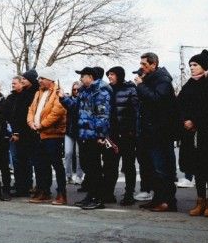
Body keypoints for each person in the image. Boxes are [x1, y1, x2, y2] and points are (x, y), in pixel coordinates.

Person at [176, 50, 208, 217]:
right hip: (191, 134)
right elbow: (180, 104)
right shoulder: (189, 84)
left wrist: (194, 121)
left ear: (203, 66)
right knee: (197, 169)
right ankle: (200, 200)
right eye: (190, 65)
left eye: (195, 65)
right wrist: (184, 120)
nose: (192, 68)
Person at [60, 67, 111, 210]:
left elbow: (103, 114)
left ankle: (98, 198)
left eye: (83, 76)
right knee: (88, 167)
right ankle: (91, 196)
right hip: (83, 134)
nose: (81, 79)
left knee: (94, 168)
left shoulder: (100, 90)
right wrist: (63, 98)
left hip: (94, 136)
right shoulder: (85, 91)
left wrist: (101, 135)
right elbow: (76, 107)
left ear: (90, 77)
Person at [134, 52, 179, 212]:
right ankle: (157, 198)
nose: (141, 67)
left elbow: (157, 99)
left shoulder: (163, 80)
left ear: (153, 64)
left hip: (160, 131)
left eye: (144, 64)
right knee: (152, 168)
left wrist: (140, 86)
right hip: (149, 131)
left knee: (162, 168)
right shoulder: (151, 80)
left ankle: (167, 201)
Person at [27, 70, 67, 205]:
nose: (39, 81)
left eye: (42, 78)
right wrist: (31, 122)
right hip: (38, 134)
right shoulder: (38, 93)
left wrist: (42, 125)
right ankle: (44, 191)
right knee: (40, 164)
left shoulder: (58, 92)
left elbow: (58, 111)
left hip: (53, 134)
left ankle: (62, 193)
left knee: (56, 164)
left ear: (50, 79)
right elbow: (31, 110)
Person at [107, 67, 140, 206]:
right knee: (110, 165)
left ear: (119, 75)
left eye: (112, 74)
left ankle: (129, 194)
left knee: (128, 165)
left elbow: (136, 111)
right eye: (108, 74)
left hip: (127, 134)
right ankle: (108, 193)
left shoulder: (130, 89)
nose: (109, 77)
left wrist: (132, 130)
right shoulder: (107, 90)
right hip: (111, 134)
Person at [9, 71, 39, 197]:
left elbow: (24, 114)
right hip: (21, 131)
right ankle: (22, 186)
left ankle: (27, 186)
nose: (22, 82)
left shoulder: (34, 93)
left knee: (27, 161)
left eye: (24, 80)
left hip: (29, 131)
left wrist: (18, 131)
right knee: (20, 161)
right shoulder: (22, 94)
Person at [63, 81, 83, 186]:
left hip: (80, 131)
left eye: (77, 89)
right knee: (68, 153)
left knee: (79, 155)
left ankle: (79, 176)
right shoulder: (68, 100)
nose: (76, 91)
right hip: (69, 130)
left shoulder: (83, 100)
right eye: (74, 89)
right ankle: (68, 175)